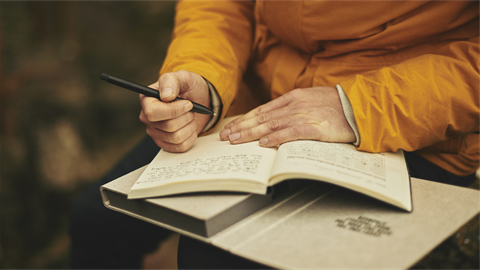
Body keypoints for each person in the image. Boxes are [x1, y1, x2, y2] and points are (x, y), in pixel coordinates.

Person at [70, 0, 480, 269]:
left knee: (212, 258)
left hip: (411, 126)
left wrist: (358, 106)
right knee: (96, 219)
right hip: (254, 106)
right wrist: (205, 76)